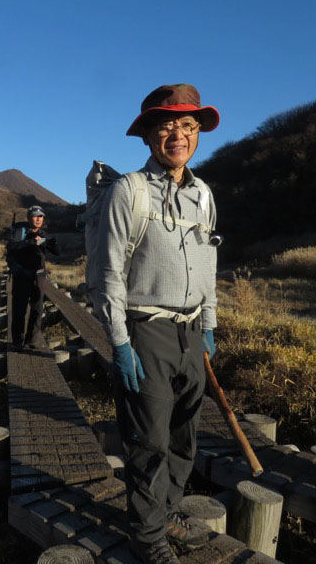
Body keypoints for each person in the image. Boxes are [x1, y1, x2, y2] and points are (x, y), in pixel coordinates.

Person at [96, 84, 220, 564]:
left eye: (188, 126)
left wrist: (208, 324)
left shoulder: (203, 194)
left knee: (185, 435)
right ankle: (147, 540)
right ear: (148, 134)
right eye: (167, 124)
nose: (179, 134)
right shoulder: (128, 191)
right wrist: (120, 342)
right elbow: (106, 272)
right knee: (149, 441)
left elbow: (209, 266)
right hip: (146, 330)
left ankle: (166, 512)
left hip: (192, 332)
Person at [6, 204, 59, 349]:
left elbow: (56, 251)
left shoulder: (44, 234)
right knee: (19, 309)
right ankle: (17, 341)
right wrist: (30, 242)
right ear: (29, 218)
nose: (38, 219)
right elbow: (11, 249)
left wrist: (45, 241)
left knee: (37, 309)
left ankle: (32, 340)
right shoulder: (20, 232)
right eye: (35, 216)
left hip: (39, 276)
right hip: (22, 275)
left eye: (41, 216)